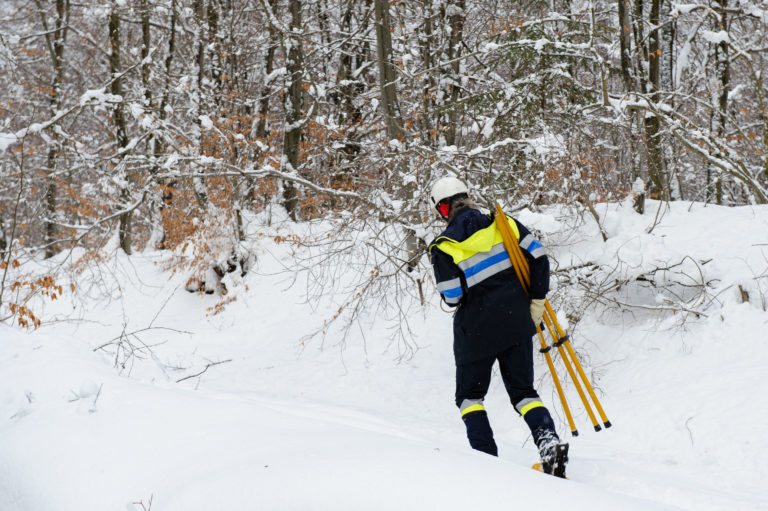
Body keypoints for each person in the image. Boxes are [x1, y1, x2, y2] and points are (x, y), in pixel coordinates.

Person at [427, 176, 569, 477]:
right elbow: (540, 257)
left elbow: (452, 297)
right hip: (516, 320)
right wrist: (536, 301)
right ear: (466, 196)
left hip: (475, 329)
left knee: (469, 398)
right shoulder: (504, 223)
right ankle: (548, 444)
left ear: (443, 208)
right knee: (523, 392)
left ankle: (486, 463)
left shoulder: (443, 246)